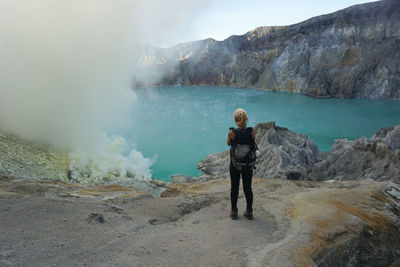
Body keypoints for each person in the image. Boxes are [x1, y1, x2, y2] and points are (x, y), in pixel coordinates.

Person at [227, 108, 256, 220]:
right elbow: (253, 141)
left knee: (234, 187)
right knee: (247, 187)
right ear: (246, 119)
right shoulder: (252, 131)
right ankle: (249, 211)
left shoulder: (232, 133)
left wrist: (232, 135)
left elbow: (228, 143)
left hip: (235, 164)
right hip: (248, 165)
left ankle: (234, 211)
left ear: (235, 120)